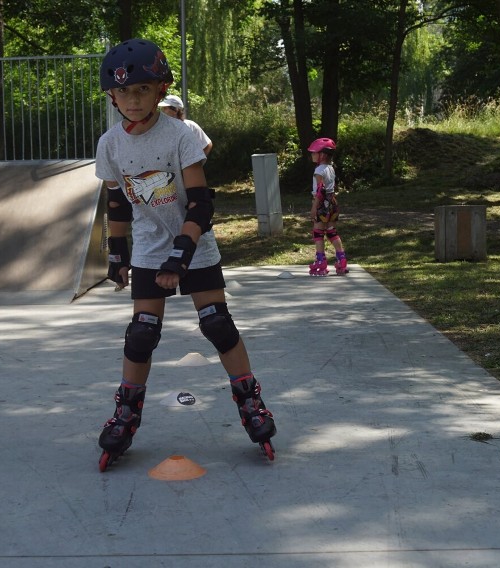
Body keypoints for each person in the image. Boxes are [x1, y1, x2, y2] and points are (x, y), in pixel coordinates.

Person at [95, 38, 276, 471]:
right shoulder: (111, 144)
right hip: (150, 250)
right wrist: (117, 253)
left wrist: (182, 253)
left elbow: (200, 203)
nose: (133, 100)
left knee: (217, 324)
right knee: (141, 333)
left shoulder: (180, 135)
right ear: (112, 96)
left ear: (160, 91)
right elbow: (118, 203)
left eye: (142, 90)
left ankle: (251, 401)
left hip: (194, 247)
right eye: (124, 93)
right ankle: (126, 411)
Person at [307, 137, 348, 276]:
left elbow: (320, 190)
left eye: (314, 152)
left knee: (318, 232)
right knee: (331, 231)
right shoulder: (330, 168)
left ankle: (321, 261)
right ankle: (341, 260)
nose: (312, 155)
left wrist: (314, 208)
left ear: (322, 155)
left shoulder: (319, 170)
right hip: (332, 202)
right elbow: (331, 187)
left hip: (321, 203)